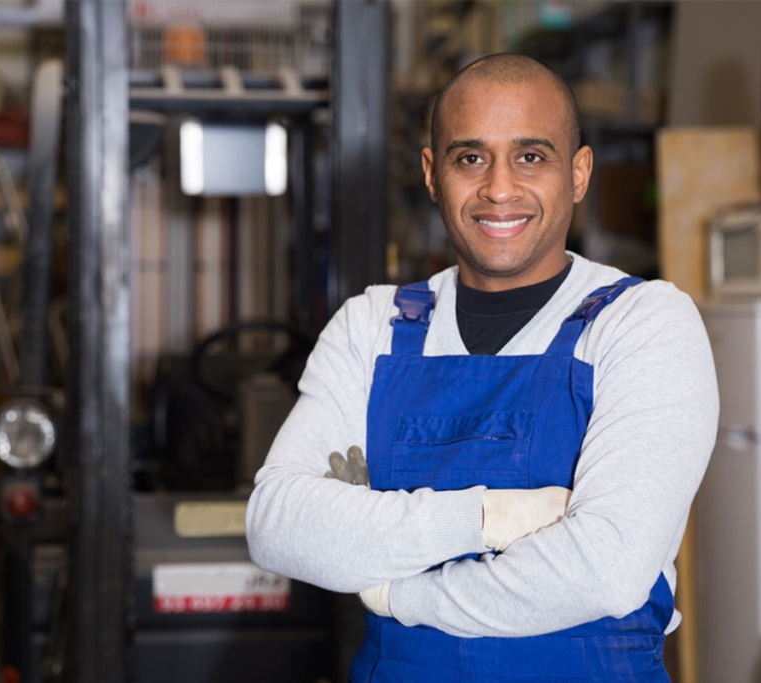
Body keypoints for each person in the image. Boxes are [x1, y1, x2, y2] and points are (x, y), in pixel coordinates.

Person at [245, 53, 718, 682]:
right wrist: (493, 517)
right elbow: (278, 525)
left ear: (578, 173)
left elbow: (606, 567)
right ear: (432, 174)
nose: (499, 188)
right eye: (470, 157)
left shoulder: (641, 323)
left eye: (531, 156)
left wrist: (402, 595)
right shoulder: (376, 326)